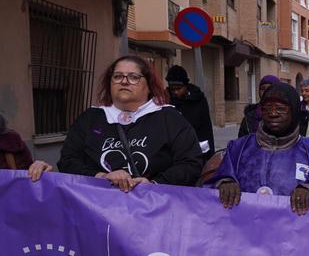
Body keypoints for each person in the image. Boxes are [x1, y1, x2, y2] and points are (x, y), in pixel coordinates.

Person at [27, 55, 202, 190]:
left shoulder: (169, 118)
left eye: (133, 77)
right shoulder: (90, 118)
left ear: (148, 86)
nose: (124, 81)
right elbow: (68, 160)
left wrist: (153, 183)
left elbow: (190, 163)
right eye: (118, 76)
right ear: (110, 83)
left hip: (153, 212)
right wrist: (101, 176)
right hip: (97, 212)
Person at [206, 83, 309, 215]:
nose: (273, 113)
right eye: (266, 108)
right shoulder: (238, 147)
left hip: (295, 230)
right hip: (244, 228)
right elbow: (214, 182)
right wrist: (225, 183)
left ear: (294, 111)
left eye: (280, 108)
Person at [165, 65, 215, 159]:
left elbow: (206, 129)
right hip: (173, 154)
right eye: (172, 89)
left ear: (186, 86)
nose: (175, 92)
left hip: (196, 152)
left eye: (179, 89)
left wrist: (209, 156)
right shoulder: (165, 100)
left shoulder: (198, 100)